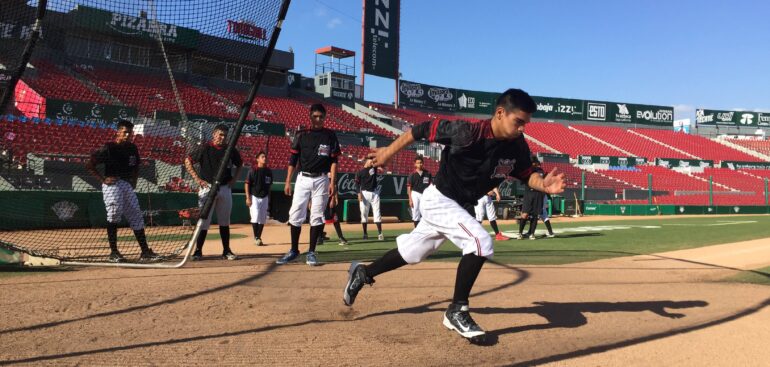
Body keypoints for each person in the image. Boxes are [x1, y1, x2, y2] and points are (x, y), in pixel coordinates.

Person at [342, 89, 565, 343]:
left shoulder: (517, 145)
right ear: (500, 113)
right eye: (519, 122)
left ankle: (363, 273)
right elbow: (421, 130)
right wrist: (386, 153)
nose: (523, 128)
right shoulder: (468, 132)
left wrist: (544, 185)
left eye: (526, 123)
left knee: (412, 252)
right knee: (480, 242)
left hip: (460, 206)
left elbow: (527, 175)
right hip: (439, 199)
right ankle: (457, 309)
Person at [86, 120, 161, 263]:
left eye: (130, 132)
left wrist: (134, 181)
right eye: (125, 132)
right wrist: (102, 179)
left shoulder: (132, 147)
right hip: (112, 184)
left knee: (136, 216)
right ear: (118, 132)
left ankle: (145, 252)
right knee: (114, 214)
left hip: (126, 184)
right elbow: (89, 165)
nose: (127, 135)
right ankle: (114, 252)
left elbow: (136, 166)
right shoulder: (108, 147)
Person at [280, 103, 340, 266]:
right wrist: (287, 181)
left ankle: (311, 252)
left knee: (317, 215)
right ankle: (293, 250)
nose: (318, 119)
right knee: (295, 214)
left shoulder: (330, 135)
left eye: (321, 116)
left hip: (322, 179)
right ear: (310, 117)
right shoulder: (301, 135)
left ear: (325, 118)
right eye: (315, 116)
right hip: (303, 178)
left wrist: (332, 182)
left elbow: (334, 161)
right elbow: (293, 160)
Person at [184, 124, 243, 261]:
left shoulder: (230, 149)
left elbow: (240, 164)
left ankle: (226, 251)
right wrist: (197, 178)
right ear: (214, 134)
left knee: (224, 222)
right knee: (204, 221)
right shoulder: (205, 148)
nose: (222, 138)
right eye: (220, 134)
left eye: (225, 135)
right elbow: (188, 161)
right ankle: (198, 251)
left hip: (224, 188)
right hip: (207, 188)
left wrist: (234, 179)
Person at [518, 157, 555, 239]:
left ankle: (531, 233)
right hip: (529, 194)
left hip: (538, 194)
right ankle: (521, 233)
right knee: (525, 214)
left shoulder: (540, 171)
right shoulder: (530, 171)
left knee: (535, 215)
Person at [245, 151, 272, 246]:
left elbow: (269, 186)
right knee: (255, 216)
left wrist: (268, 198)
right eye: (262, 157)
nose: (265, 158)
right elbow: (247, 184)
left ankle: (258, 237)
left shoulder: (268, 171)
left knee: (262, 219)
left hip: (264, 197)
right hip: (254, 196)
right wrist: (248, 197)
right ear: (257, 159)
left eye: (265, 156)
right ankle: (256, 237)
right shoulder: (253, 170)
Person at [356, 158, 383, 240]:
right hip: (364, 193)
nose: (372, 162)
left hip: (375, 193)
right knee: (364, 214)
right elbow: (357, 183)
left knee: (377, 213)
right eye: (370, 161)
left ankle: (380, 233)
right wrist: (358, 193)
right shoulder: (360, 172)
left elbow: (379, 162)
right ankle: (365, 234)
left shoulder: (373, 168)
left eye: (372, 161)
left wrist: (379, 166)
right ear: (366, 161)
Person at [407, 156, 432, 228]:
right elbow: (409, 187)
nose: (419, 164)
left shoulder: (428, 173)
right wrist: (410, 199)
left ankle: (425, 228)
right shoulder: (412, 174)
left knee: (425, 211)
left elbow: (430, 185)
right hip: (415, 193)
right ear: (415, 164)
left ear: (423, 163)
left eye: (421, 163)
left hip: (424, 194)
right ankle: (416, 229)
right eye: (418, 163)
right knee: (416, 211)